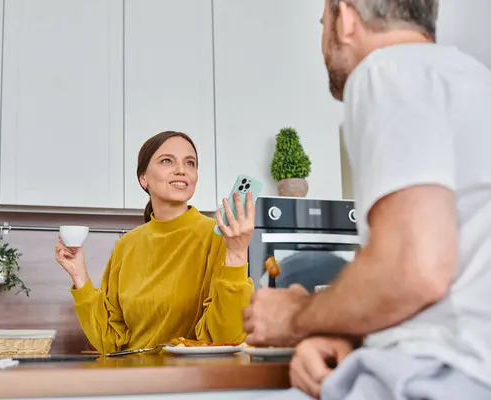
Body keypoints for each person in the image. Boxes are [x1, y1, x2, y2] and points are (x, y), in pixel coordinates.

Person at [243, 0, 491, 399]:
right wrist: (349, 335)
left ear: (345, 19)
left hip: (444, 376)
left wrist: (294, 317)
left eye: (323, 24)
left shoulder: (386, 69)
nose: (323, 45)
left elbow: (414, 267)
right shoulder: (473, 79)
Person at [55, 131, 255, 354]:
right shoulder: (127, 245)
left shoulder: (219, 236)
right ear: (143, 178)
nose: (182, 170)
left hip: (195, 382)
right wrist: (79, 275)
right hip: (135, 381)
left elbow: (227, 338)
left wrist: (237, 255)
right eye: (167, 160)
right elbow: (109, 343)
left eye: (190, 163)